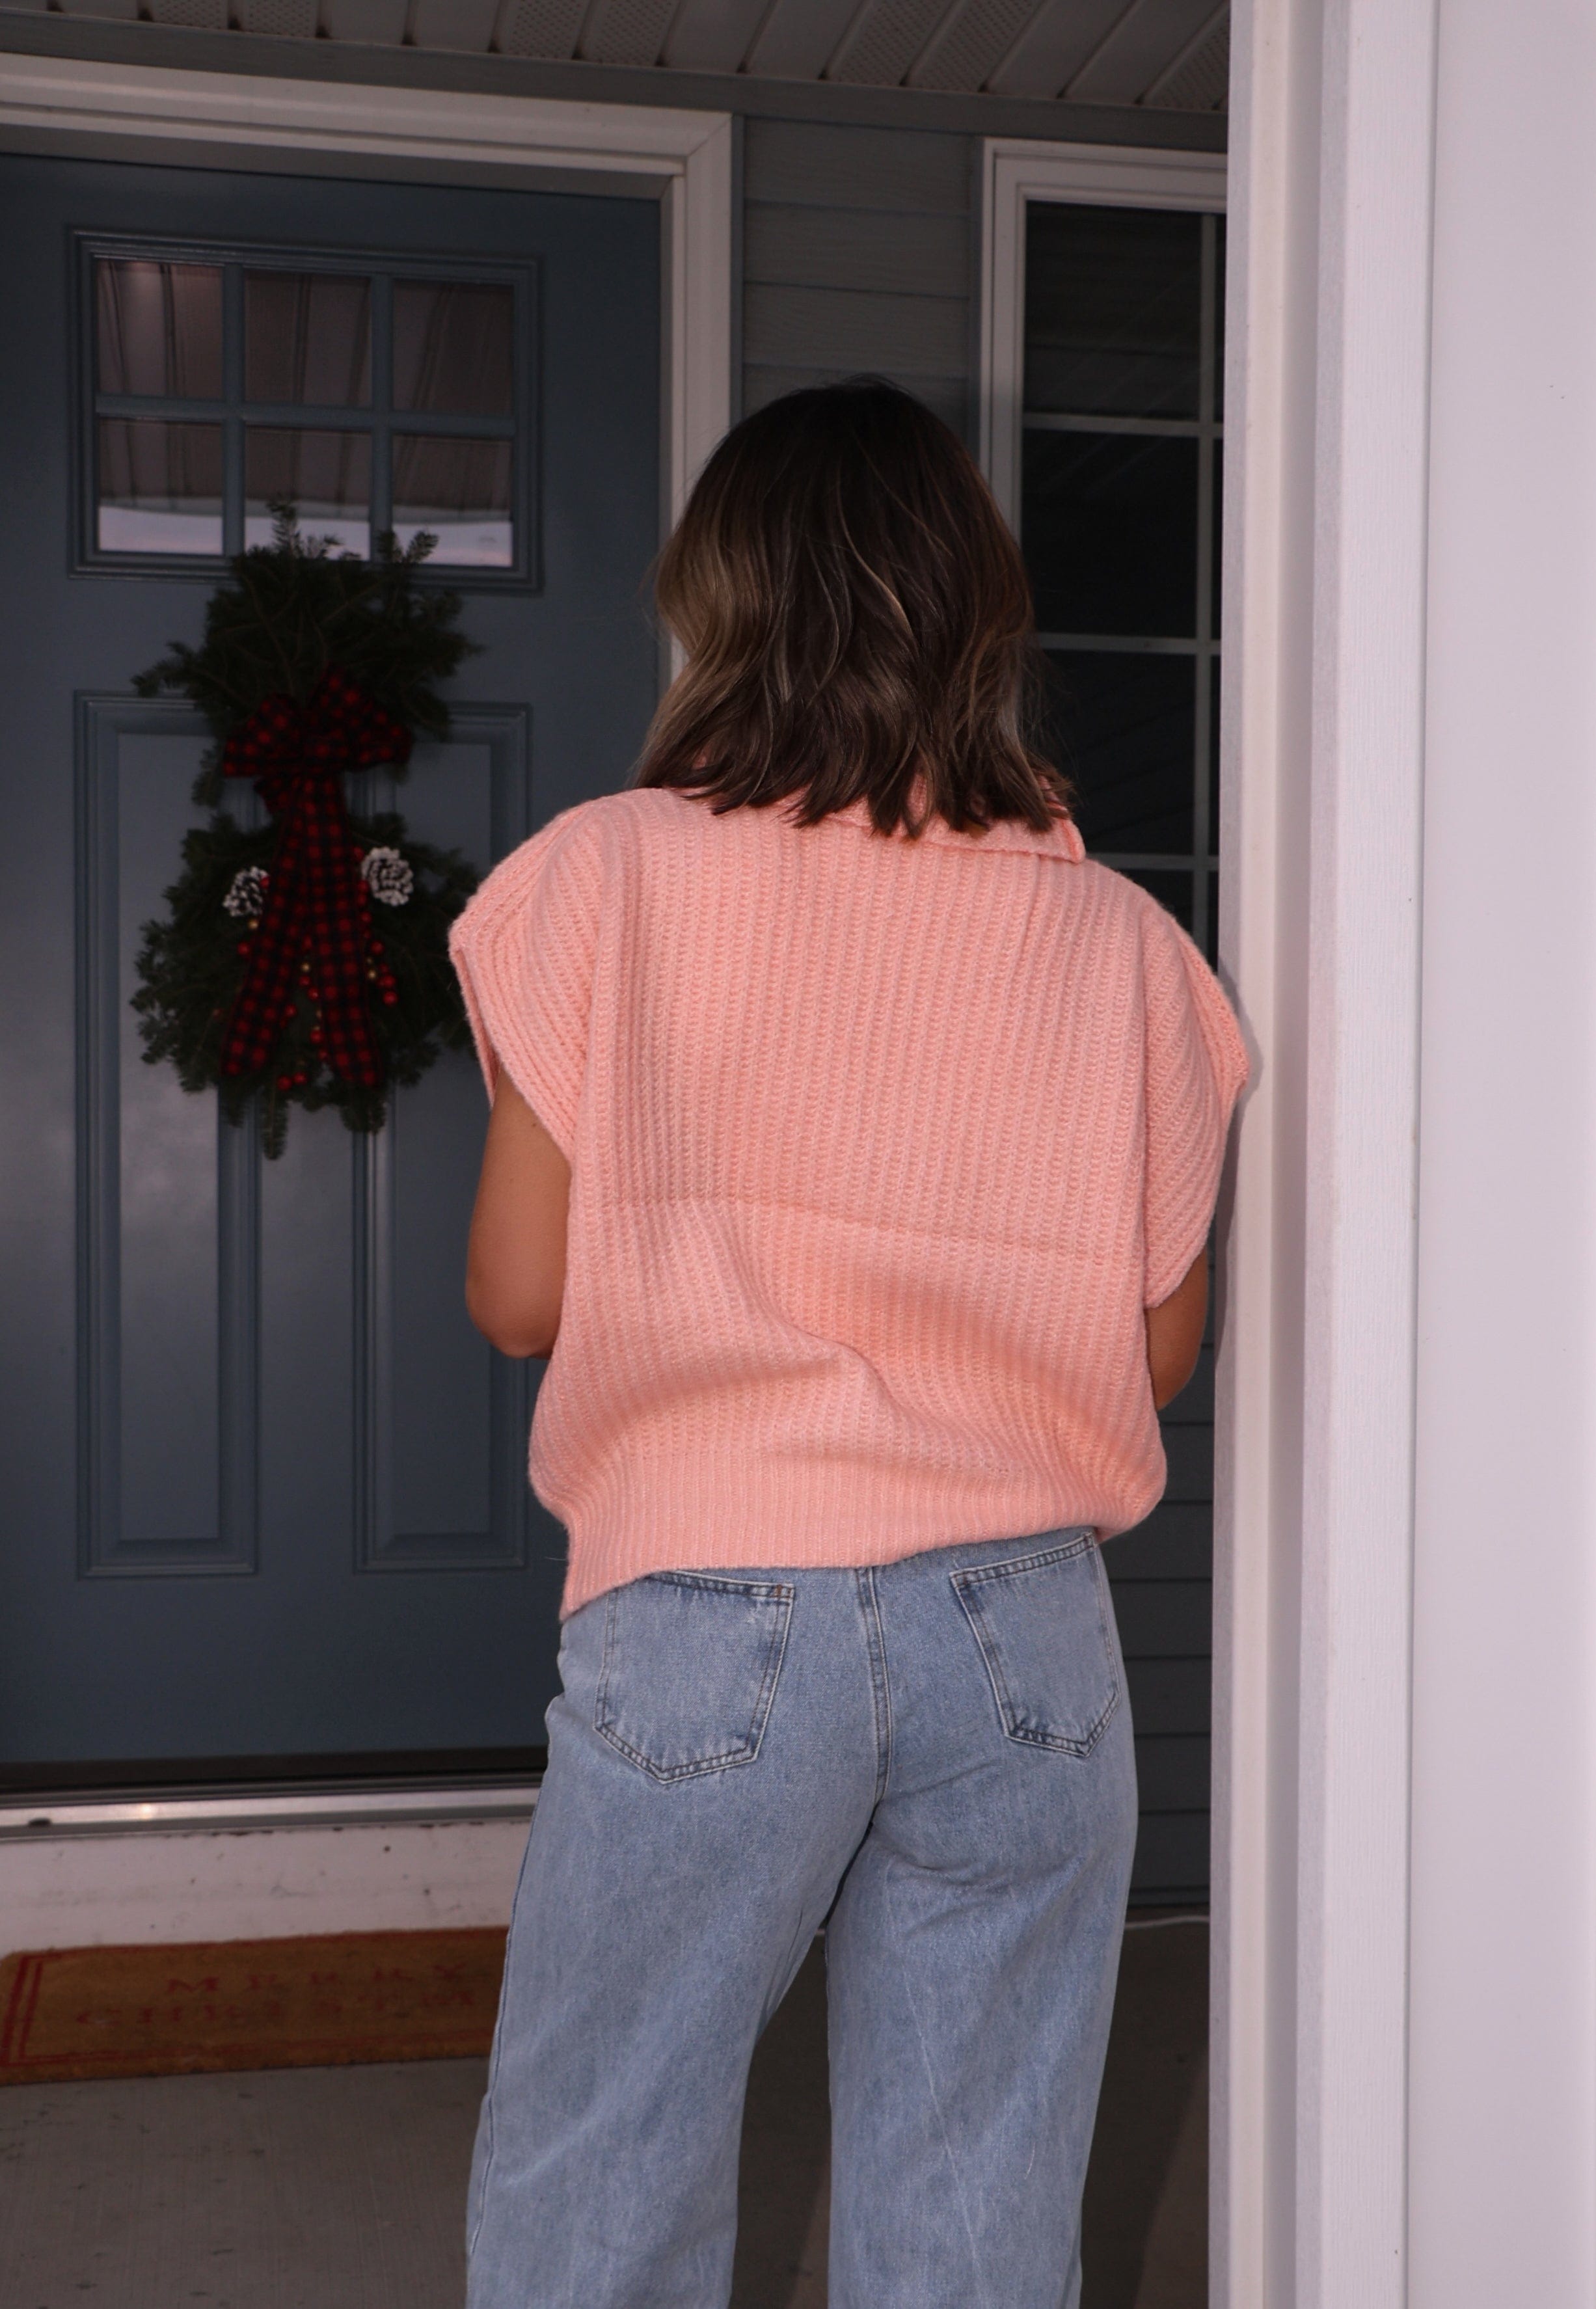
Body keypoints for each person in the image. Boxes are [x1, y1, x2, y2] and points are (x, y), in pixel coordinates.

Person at [448, 377, 1247, 2309]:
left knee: (602, 2164)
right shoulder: (1127, 952)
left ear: (717, 613)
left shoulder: (604, 882)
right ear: (980, 622)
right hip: (1030, 1646)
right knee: (978, 2194)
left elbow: (518, 1297)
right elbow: (1149, 1356)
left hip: (711, 1618)